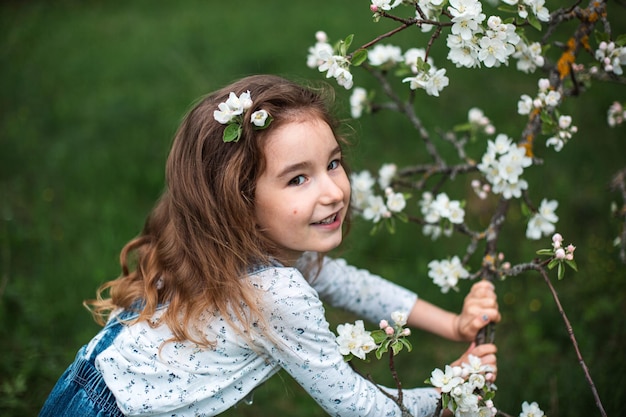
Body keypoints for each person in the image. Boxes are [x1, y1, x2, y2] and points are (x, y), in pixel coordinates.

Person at [39, 74, 500, 417]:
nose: (334, 191)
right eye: (298, 178)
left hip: (83, 387)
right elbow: (360, 407)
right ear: (239, 200)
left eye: (333, 163)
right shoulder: (279, 297)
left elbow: (351, 285)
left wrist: (456, 325)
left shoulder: (217, 245)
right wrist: (452, 390)